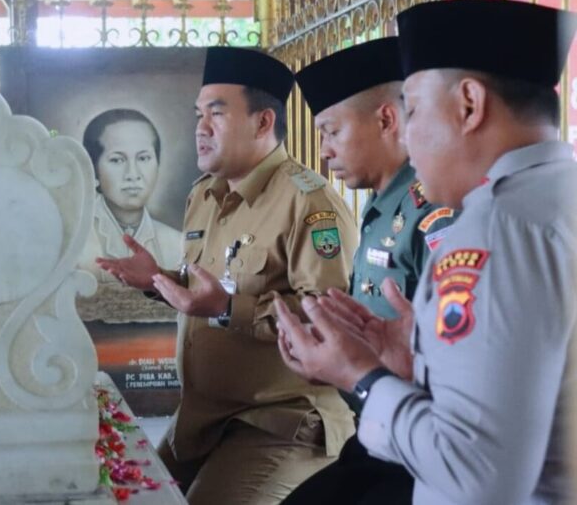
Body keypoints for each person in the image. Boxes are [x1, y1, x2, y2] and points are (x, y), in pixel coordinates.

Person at [275, 0, 577, 504]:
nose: (408, 138)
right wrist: (423, 363)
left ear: (469, 105)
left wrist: (362, 377)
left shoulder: (498, 229)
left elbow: (475, 476)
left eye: (412, 109)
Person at [96, 46, 359, 505]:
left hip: (279, 422)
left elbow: (327, 324)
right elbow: (209, 287)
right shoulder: (206, 194)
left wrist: (225, 309)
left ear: (262, 122)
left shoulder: (310, 204)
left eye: (216, 113)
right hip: (205, 419)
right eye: (199, 114)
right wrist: (157, 279)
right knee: (131, 498)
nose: (200, 128)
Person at [281, 37, 456, 504]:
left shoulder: (430, 211)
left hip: (419, 444)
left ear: (386, 120)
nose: (323, 152)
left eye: (332, 132)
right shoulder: (380, 206)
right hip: (376, 429)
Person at [77, 108, 183, 323]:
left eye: (144, 158)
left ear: (158, 164)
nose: (133, 175)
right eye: (117, 160)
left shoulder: (177, 243)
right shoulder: (74, 242)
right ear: (94, 169)